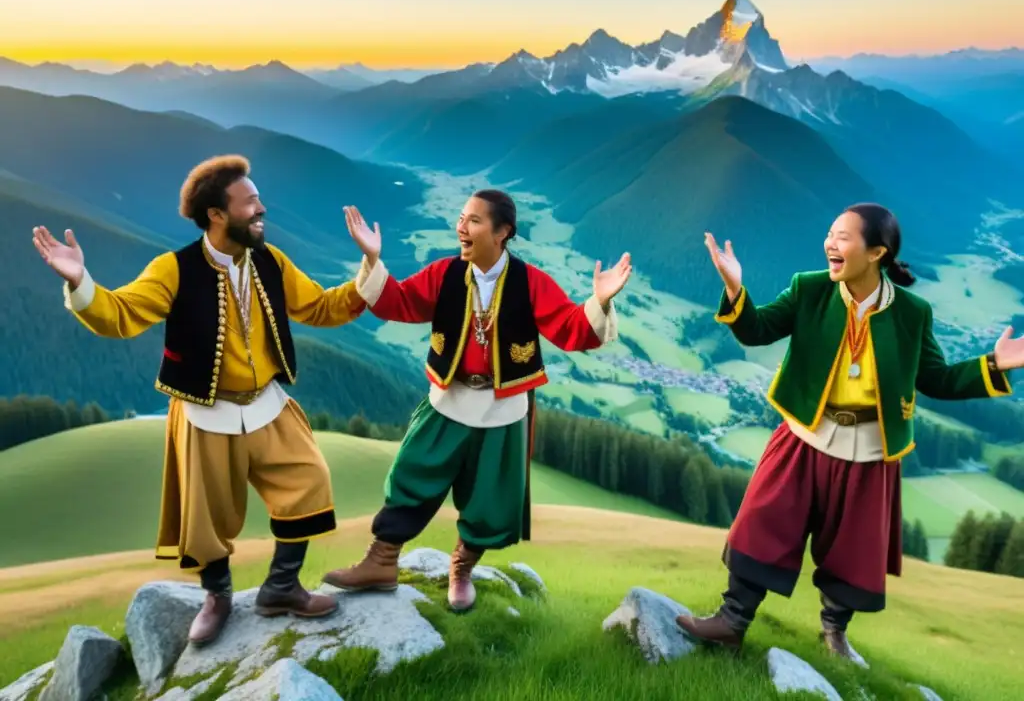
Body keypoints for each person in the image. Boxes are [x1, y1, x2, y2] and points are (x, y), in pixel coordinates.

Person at [31, 155, 369, 646]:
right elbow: (120, 316)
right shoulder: (174, 269)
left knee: (310, 480)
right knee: (206, 516)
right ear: (216, 214)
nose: (261, 209)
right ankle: (217, 597)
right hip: (205, 412)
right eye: (250, 202)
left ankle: (281, 588)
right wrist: (79, 281)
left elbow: (317, 306)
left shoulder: (270, 262)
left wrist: (368, 269)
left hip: (268, 405)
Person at [675, 203, 1021, 660]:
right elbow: (756, 331)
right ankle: (731, 621)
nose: (830, 244)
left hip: (872, 450)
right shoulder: (810, 289)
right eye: (830, 234)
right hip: (804, 436)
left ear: (876, 252)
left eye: (843, 237)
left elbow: (934, 378)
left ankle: (834, 635)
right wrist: (735, 286)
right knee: (763, 522)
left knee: (853, 550)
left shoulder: (912, 313)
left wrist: (995, 365)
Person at [320, 189, 631, 611]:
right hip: (447, 399)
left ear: (503, 233)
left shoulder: (530, 282)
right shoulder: (445, 273)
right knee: (412, 473)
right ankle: (381, 561)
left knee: (488, 499)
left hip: (502, 411)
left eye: (473, 221)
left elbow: (571, 329)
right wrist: (373, 260)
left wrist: (599, 300)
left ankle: (462, 568)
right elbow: (400, 303)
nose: (460, 228)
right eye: (461, 218)